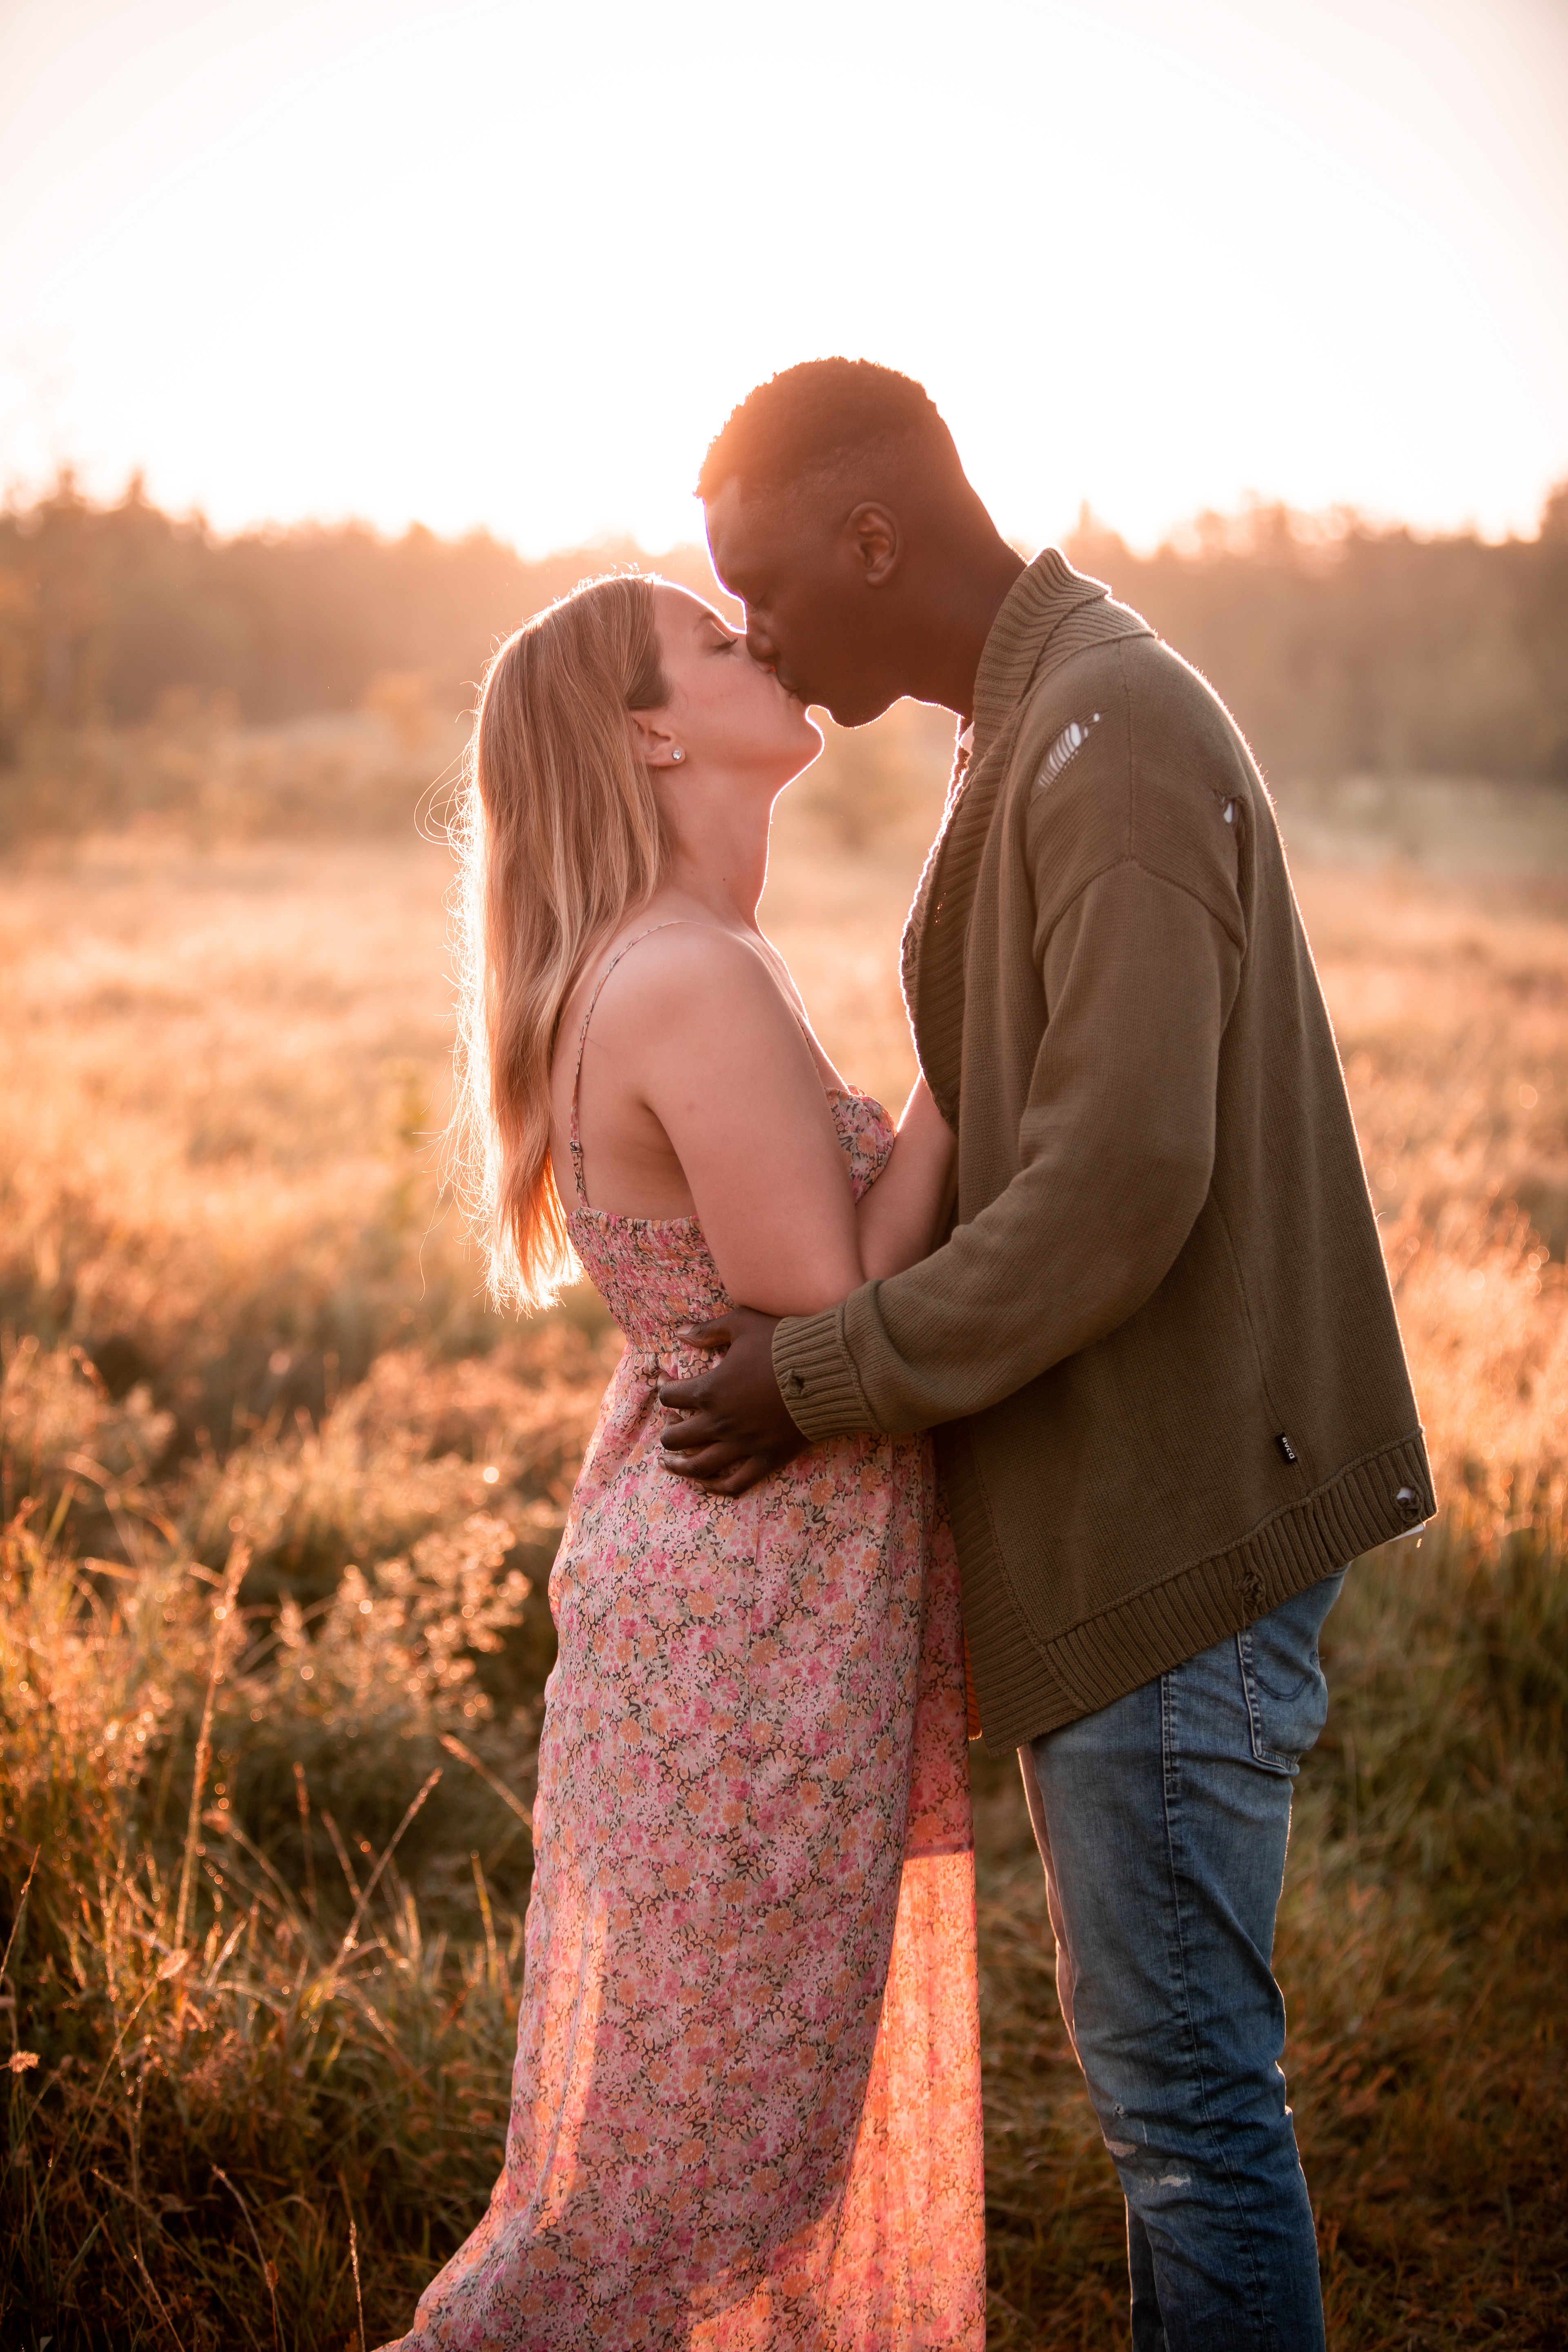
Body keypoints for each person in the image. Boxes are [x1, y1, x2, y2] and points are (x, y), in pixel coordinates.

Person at [658, 359, 1437, 2352]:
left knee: (1185, 2119)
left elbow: (1115, 1187)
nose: (750, 628)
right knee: (1173, 2099)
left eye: (761, 583)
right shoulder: (1032, 720)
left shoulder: (1111, 735)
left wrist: (814, 1377)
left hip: (1178, 1515)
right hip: (1127, 1501)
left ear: (873, 538)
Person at [380, 571, 986, 2350]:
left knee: (708, 2155)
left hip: (737, 1591)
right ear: (650, 731)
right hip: (744, 1621)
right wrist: (967, 1051)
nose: (763, 647)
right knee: (687, 2183)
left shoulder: (680, 955)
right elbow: (837, 1292)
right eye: (717, 645)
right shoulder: (690, 972)